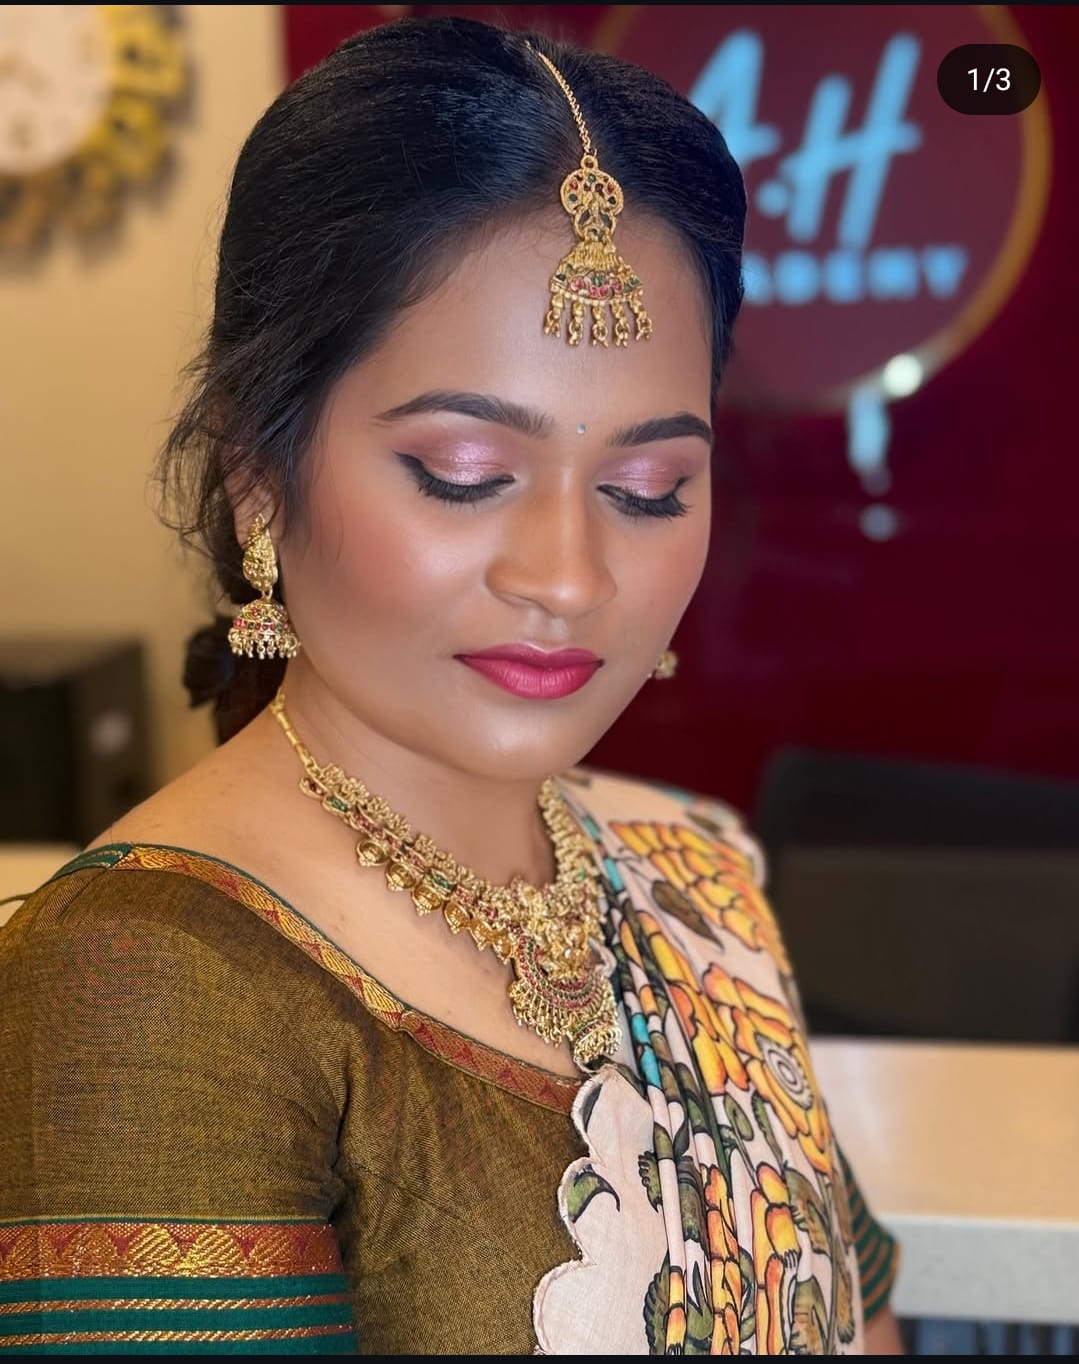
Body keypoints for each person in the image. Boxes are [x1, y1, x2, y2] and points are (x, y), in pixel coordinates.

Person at [0, 17, 902, 1355]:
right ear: (260, 476)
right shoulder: (151, 981)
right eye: (464, 475)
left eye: (650, 488)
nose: (568, 576)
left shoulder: (695, 872)